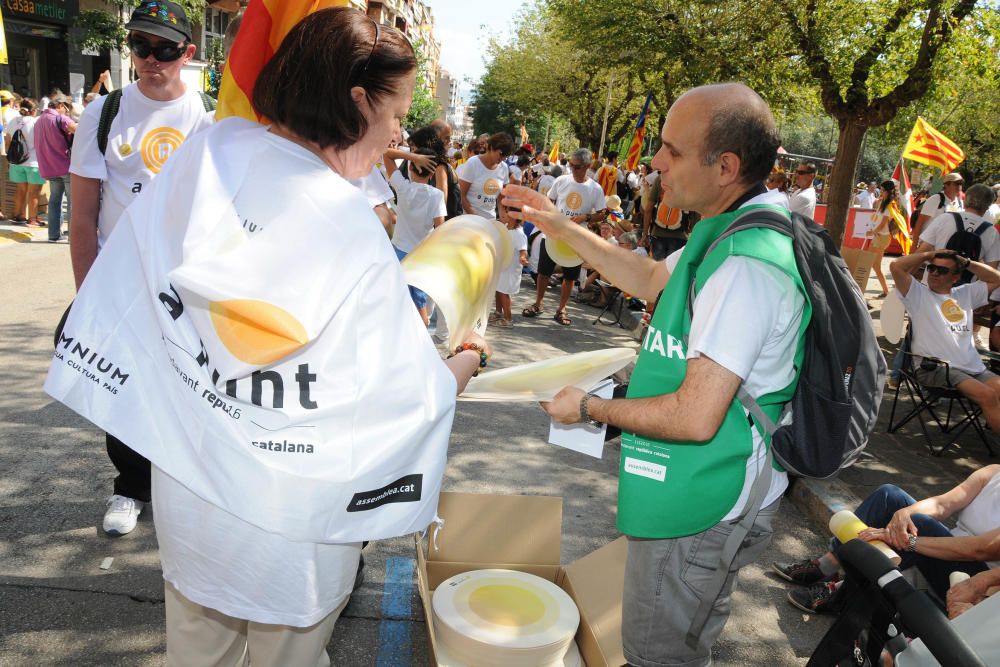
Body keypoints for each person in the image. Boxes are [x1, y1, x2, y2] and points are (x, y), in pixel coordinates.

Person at [69, 9, 490, 664]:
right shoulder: (349, 224)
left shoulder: (210, 153)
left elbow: (134, 276)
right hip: (293, 533)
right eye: (397, 107)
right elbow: (405, 399)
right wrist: (463, 362)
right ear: (358, 101)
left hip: (193, 497)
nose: (399, 127)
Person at [503, 82, 805, 667]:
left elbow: (695, 417)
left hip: (705, 504)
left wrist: (588, 409)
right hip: (696, 488)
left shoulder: (745, 266)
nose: (655, 162)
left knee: (656, 654)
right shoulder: (726, 227)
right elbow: (646, 278)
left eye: (672, 150)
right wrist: (559, 227)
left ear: (726, 166)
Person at [69, 0, 215, 536]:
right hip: (119, 282)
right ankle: (131, 486)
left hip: (187, 284)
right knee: (122, 388)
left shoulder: (212, 119)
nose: (151, 59)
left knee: (189, 386)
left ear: (188, 53)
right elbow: (82, 215)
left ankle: (182, 483)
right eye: (140, 47)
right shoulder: (102, 112)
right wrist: (88, 292)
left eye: (165, 49)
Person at [774, 465, 1000, 614]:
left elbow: (978, 550)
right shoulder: (993, 473)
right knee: (889, 496)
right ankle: (827, 565)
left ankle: (843, 595)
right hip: (946, 551)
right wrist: (905, 514)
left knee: (920, 526)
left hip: (972, 582)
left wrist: (908, 539)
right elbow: (942, 504)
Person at [889, 250, 1000, 430]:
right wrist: (929, 254)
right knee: (987, 395)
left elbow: (996, 279)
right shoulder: (917, 293)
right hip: (935, 368)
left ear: (955, 277)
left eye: (942, 270)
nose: (934, 273)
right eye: (932, 268)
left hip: (972, 367)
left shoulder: (965, 293)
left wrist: (968, 263)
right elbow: (896, 266)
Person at [521, 147, 605, 327]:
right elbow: (549, 201)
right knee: (543, 272)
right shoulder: (561, 180)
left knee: (570, 276)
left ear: (588, 166)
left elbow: (602, 213)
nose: (573, 170)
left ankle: (562, 309)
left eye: (578, 167)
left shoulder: (595, 188)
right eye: (571, 166)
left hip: (575, 237)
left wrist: (586, 217)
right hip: (552, 234)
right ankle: (538, 303)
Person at [384, 147, 446, 325]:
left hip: (399, 250)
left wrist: (412, 156)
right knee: (420, 300)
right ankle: (422, 332)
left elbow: (386, 154)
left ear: (410, 167)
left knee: (398, 297)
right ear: (432, 171)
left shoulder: (403, 187)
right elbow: (440, 228)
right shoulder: (437, 195)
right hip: (422, 254)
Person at [33, 95, 77, 242]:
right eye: (66, 107)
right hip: (65, 165)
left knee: (54, 201)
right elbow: (80, 130)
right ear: (60, 106)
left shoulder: (39, 121)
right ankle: (72, 235)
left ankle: (53, 235)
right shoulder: (61, 119)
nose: (66, 110)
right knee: (72, 202)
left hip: (49, 167)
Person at [5, 97, 45, 227]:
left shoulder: (12, 121)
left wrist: (11, 156)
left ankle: (19, 215)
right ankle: (32, 219)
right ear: (34, 110)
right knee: (34, 191)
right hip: (33, 162)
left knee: (20, 189)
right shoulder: (35, 122)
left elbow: (8, 141)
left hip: (16, 162)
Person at [866, 179, 907, 298]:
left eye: (882, 190)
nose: (880, 191)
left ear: (887, 191)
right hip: (879, 236)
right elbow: (878, 219)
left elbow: (883, 223)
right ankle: (885, 291)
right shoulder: (884, 203)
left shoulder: (890, 206)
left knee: (873, 264)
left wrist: (872, 231)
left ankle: (886, 291)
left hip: (882, 237)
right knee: (871, 264)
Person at [458, 132, 511, 219]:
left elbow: (502, 196)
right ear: (491, 147)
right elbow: (461, 195)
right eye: (501, 154)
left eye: (505, 156)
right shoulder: (473, 163)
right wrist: (476, 217)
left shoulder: (504, 167)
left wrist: (503, 214)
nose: (502, 158)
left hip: (490, 220)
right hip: (469, 220)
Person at [491, 208, 528, 327]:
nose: (503, 214)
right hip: (502, 266)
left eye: (506, 212)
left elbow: (523, 250)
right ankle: (498, 312)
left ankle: (508, 319)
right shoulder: (506, 227)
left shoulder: (519, 234)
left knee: (504, 292)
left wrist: (522, 258)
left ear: (513, 216)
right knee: (498, 289)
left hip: (510, 269)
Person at [913, 172, 964, 243]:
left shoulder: (960, 203)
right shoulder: (935, 199)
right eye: (956, 183)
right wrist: (914, 245)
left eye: (961, 183)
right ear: (946, 185)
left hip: (947, 247)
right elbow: (919, 223)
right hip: (928, 246)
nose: (959, 186)